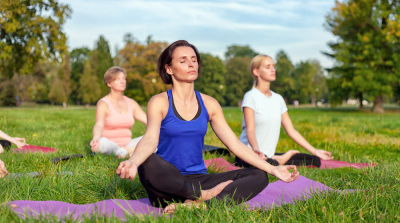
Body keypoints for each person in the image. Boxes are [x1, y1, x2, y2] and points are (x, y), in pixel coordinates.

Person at [116, 40, 299, 213]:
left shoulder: (209, 104)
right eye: (183, 60)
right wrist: (133, 162)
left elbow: (234, 145)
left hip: (199, 179)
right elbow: (149, 139)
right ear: (169, 68)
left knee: (259, 175)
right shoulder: (159, 102)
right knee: (147, 161)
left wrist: (272, 169)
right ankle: (203, 197)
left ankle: (201, 206)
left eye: (194, 60)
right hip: (166, 184)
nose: (191, 64)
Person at [235, 55, 333, 168]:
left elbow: (291, 130)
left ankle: (278, 160)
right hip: (248, 154)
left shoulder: (278, 99)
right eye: (268, 67)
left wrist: (315, 151)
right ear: (256, 71)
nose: (273, 70)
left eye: (273, 66)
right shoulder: (250, 96)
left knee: (314, 160)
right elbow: (250, 130)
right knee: (264, 164)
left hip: (268, 156)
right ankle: (279, 160)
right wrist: (257, 151)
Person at [90, 66, 147, 157]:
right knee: (102, 142)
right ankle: (128, 152)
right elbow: (99, 124)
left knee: (156, 138)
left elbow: (149, 121)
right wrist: (95, 138)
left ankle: (127, 151)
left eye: (123, 79)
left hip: (128, 144)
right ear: (109, 83)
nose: (122, 82)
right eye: (117, 79)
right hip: (110, 145)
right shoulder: (103, 104)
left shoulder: (131, 103)